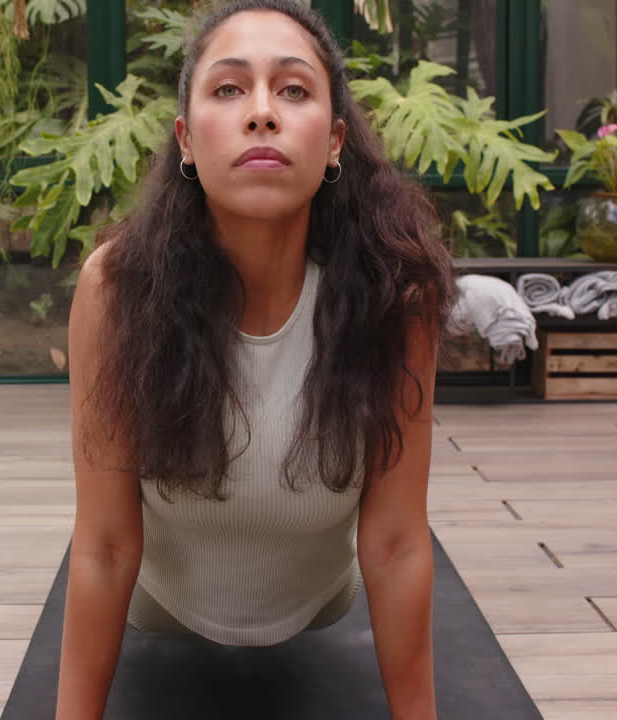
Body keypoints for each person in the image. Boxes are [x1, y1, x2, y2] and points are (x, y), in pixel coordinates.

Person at [57, 1, 454, 718]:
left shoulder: (396, 294)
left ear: (335, 141)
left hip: (320, 604)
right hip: (159, 604)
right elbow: (107, 545)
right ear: (186, 138)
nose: (262, 113)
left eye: (294, 90)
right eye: (229, 89)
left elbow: (395, 543)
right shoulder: (117, 290)